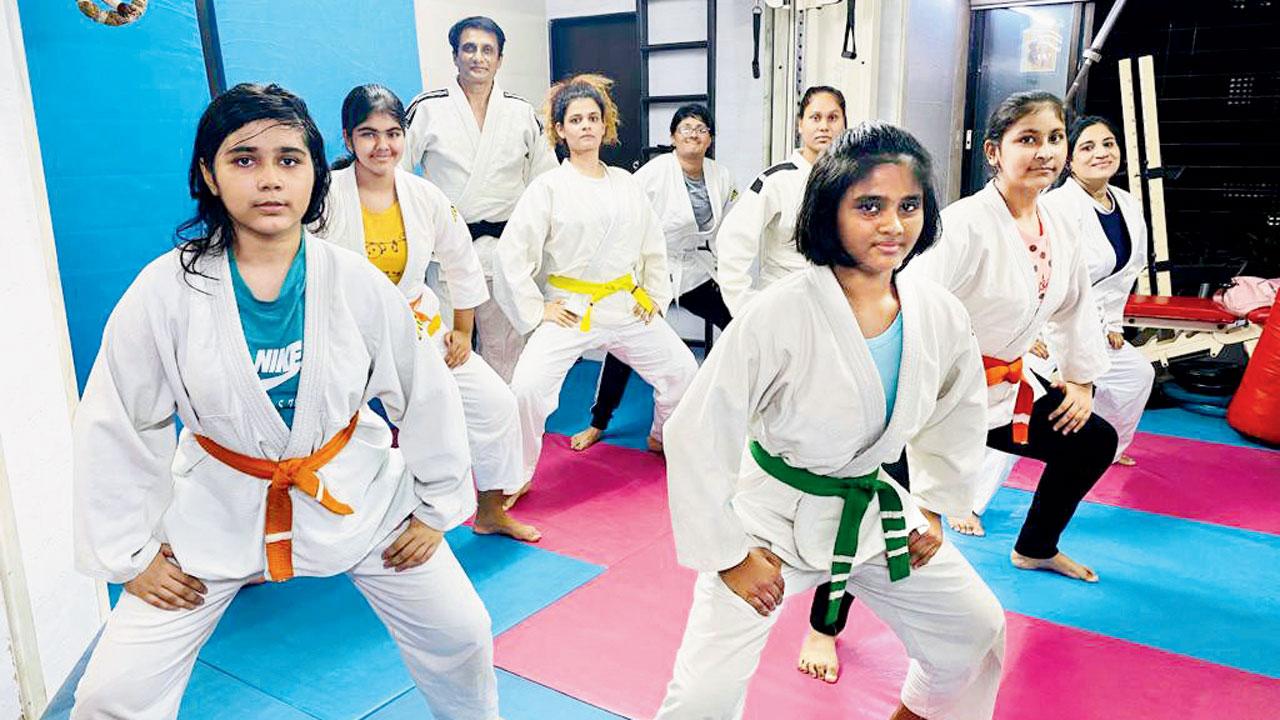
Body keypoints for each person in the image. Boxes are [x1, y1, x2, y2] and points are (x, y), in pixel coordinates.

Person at [69, 84, 498, 719]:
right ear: (208, 176)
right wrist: (129, 556)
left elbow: (423, 394)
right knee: (113, 694)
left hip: (359, 494)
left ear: (316, 176)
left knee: (462, 633)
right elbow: (118, 422)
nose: (270, 179)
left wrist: (436, 507)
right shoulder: (164, 292)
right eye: (244, 160)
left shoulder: (356, 284)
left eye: (290, 160)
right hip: (217, 507)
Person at [656, 123, 1004, 720]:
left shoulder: (938, 313)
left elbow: (959, 409)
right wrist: (728, 554)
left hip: (874, 512)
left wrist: (937, 502)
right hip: (768, 520)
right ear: (829, 210)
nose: (893, 225)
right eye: (869, 206)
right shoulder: (778, 312)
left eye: (909, 205)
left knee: (974, 630)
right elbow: (699, 430)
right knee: (701, 698)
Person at [904, 91, 1117, 580]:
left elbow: (1075, 304)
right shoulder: (963, 225)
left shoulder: (1058, 223)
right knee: (898, 526)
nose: (1045, 151)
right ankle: (824, 625)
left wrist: (1081, 381)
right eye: (1028, 139)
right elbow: (913, 309)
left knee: (1090, 442)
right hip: (936, 398)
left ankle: (1036, 546)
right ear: (994, 151)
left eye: (1055, 138)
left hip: (1002, 393)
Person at [318, 84, 539, 542]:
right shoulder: (323, 196)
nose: (382, 145)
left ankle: (491, 510)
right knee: (329, 431)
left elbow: (462, 263)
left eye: (393, 133)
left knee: (496, 405)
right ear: (347, 138)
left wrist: (462, 331)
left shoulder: (424, 195)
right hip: (345, 335)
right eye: (368, 133)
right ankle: (320, 528)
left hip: (417, 325)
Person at [492, 74, 698, 497]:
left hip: (625, 303)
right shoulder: (547, 188)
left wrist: (655, 296)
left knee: (682, 371)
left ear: (606, 125)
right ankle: (517, 476)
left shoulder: (626, 182)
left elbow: (651, 244)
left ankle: (662, 436)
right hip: (570, 308)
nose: (585, 125)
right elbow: (510, 254)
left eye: (593, 118)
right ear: (561, 130)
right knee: (528, 389)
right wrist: (537, 308)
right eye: (575, 119)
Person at [569, 103, 737, 452]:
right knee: (627, 341)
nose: (694, 133)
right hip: (648, 269)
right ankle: (599, 421)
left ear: (710, 139)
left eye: (701, 128)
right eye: (685, 128)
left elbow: (730, 225)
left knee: (735, 319)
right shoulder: (653, 173)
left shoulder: (721, 176)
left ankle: (724, 404)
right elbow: (623, 214)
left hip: (692, 266)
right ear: (673, 137)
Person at [402, 15, 559, 382]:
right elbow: (397, 175)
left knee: (506, 349)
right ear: (455, 56)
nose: (478, 57)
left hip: (505, 253)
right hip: (449, 252)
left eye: (487, 50)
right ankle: (451, 428)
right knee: (443, 349)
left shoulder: (521, 113)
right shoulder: (427, 108)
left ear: (500, 59)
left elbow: (546, 183)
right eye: (469, 48)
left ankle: (502, 425)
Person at [1042, 115, 1154, 466]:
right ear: (1070, 160)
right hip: (1050, 329)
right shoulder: (1055, 206)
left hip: (1092, 327)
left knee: (1137, 375)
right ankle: (965, 501)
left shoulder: (1126, 203)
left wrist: (1113, 325)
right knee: (1020, 402)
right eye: (1087, 147)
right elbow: (1038, 277)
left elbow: (1125, 273)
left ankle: (1107, 449)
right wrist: (1032, 333)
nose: (1101, 153)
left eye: (1108, 144)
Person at [716, 85, 847, 316]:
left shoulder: (853, 182)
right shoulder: (777, 180)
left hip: (835, 300)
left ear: (845, 124)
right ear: (800, 124)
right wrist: (743, 304)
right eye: (815, 118)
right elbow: (733, 239)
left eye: (833, 118)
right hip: (783, 300)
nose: (824, 126)